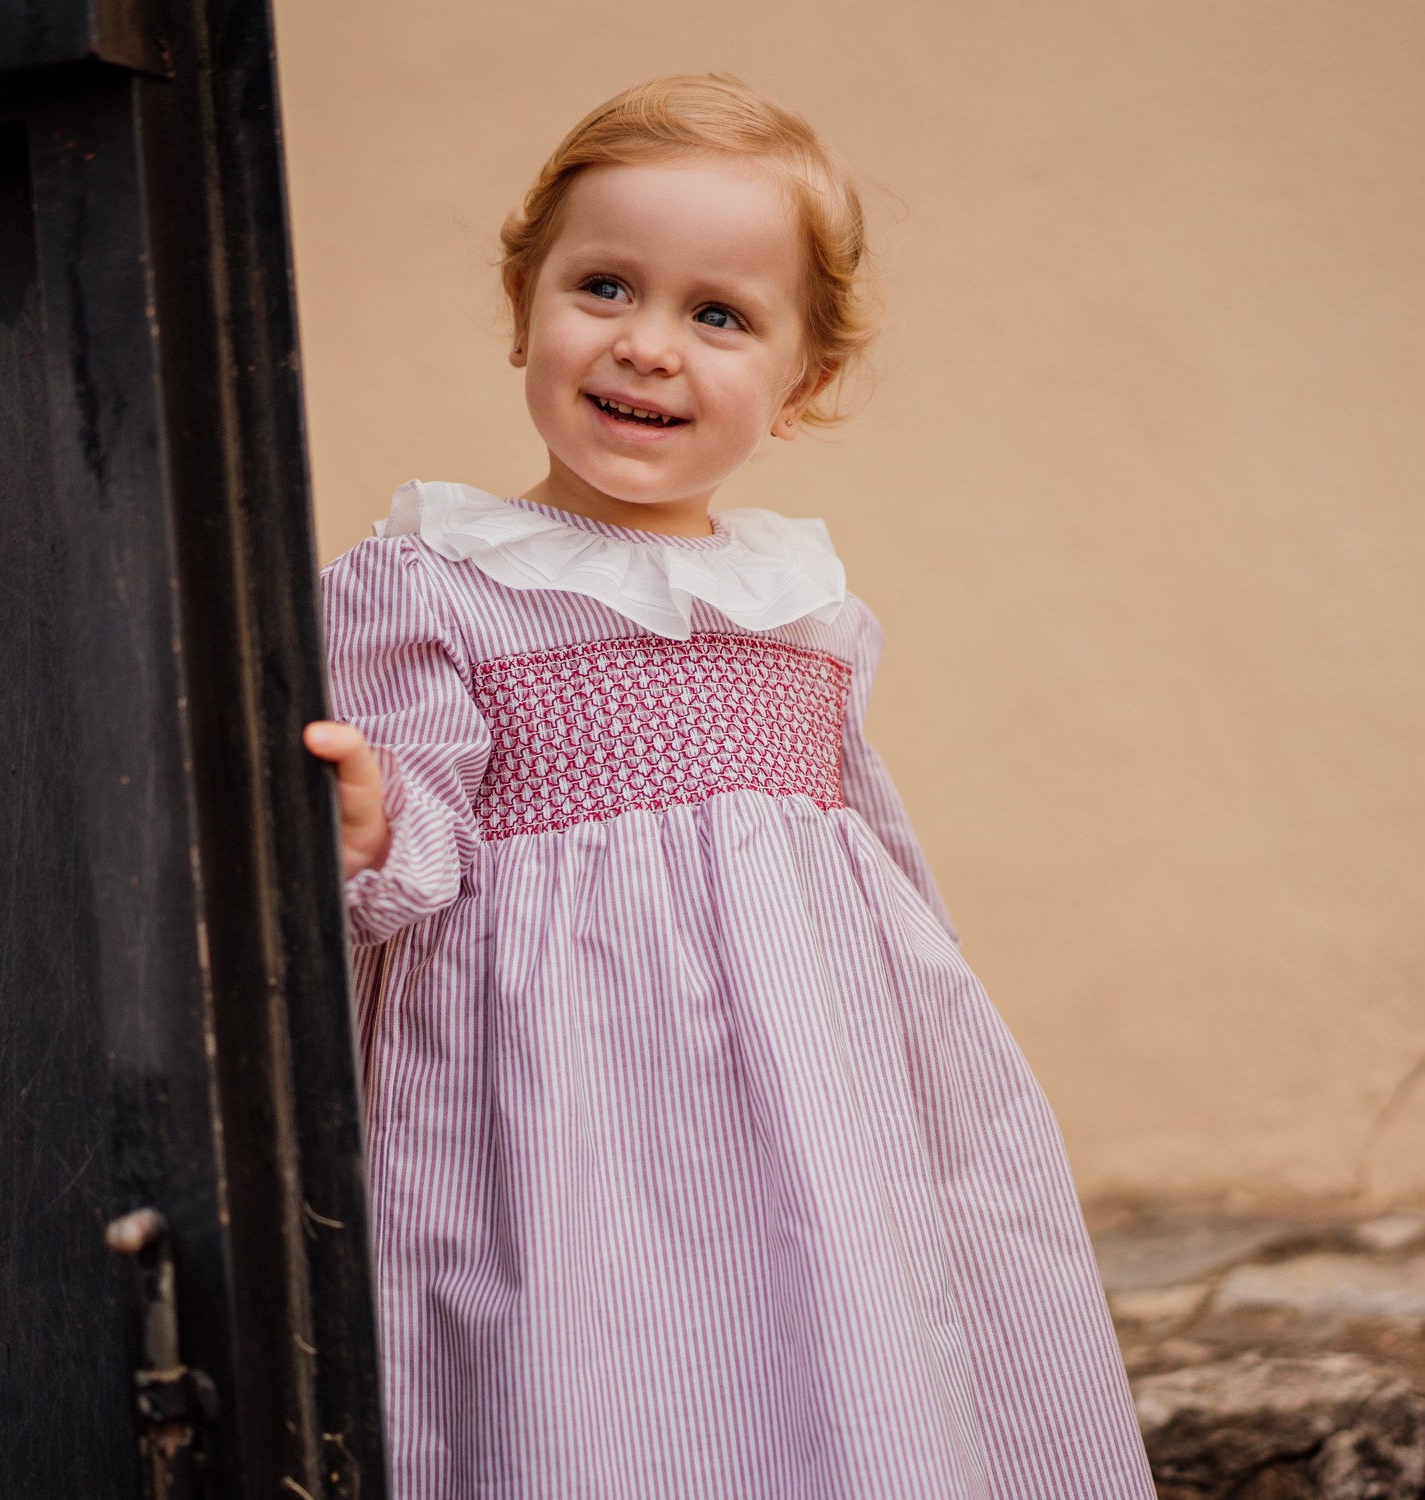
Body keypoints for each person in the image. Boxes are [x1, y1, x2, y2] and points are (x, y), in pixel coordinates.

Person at [304, 74, 1154, 1499]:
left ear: (801, 380)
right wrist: (366, 819)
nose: (647, 347)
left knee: (831, 1371)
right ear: (524, 300)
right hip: (556, 1112)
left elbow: (867, 863)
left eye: (718, 315)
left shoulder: (804, 604)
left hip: (808, 1115)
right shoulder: (427, 583)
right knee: (597, 1398)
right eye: (605, 286)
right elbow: (416, 832)